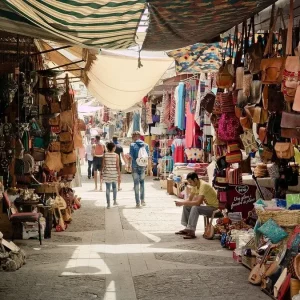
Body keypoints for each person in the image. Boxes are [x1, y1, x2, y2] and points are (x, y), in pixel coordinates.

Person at [175, 172, 219, 239]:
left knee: (195, 208)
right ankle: (187, 228)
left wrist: (182, 203)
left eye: (190, 182)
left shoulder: (203, 185)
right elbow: (190, 199)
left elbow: (198, 203)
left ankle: (191, 230)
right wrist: (182, 202)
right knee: (186, 206)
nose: (190, 184)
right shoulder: (195, 186)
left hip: (215, 208)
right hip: (208, 206)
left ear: (195, 180)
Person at [129, 131, 149, 208]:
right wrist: (149, 168)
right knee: (142, 183)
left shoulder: (132, 145)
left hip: (135, 166)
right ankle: (143, 200)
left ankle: (137, 203)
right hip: (143, 166)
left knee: (136, 184)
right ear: (139, 136)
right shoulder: (146, 145)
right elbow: (147, 157)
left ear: (134, 137)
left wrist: (128, 164)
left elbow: (131, 156)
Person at [101, 142, 120, 209]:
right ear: (112, 148)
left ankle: (108, 204)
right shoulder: (116, 155)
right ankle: (114, 201)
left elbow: (103, 165)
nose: (115, 148)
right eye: (114, 147)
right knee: (114, 187)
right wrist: (119, 174)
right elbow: (117, 166)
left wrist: (101, 173)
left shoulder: (105, 155)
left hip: (107, 174)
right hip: (114, 174)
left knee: (107, 189)